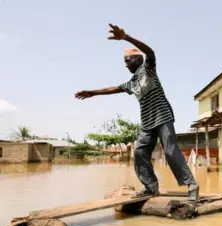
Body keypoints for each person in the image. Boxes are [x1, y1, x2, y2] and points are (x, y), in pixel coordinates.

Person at [75, 24, 199, 201]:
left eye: (128, 60)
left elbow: (150, 52)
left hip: (162, 117)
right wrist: (92, 93)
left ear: (137, 59)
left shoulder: (148, 68)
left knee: (170, 151)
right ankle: (151, 187)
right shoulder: (131, 83)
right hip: (147, 123)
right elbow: (113, 88)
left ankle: (192, 185)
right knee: (140, 153)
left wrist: (126, 37)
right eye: (125, 62)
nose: (126, 65)